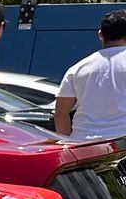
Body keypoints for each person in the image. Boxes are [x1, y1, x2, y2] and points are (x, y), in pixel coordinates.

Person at [53, 10, 126, 138]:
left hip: (84, 145)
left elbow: (60, 112)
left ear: (100, 35)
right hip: (121, 145)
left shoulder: (78, 68)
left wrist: (69, 145)